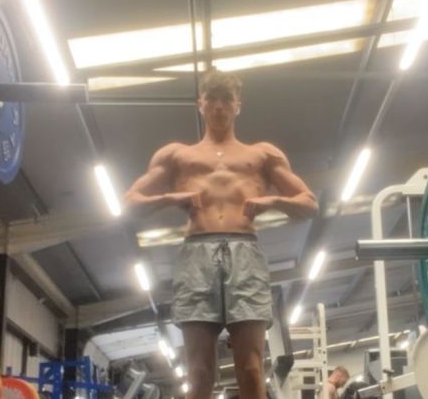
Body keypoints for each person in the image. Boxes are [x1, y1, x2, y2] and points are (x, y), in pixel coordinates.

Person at [124, 70, 319, 399]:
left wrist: (273, 201)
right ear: (200, 104)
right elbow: (130, 202)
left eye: (226, 99)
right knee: (199, 372)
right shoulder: (176, 155)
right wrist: (171, 197)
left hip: (245, 252)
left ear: (238, 105)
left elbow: (310, 204)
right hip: (196, 255)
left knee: (251, 369)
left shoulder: (262, 154)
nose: (218, 106)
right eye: (211, 99)